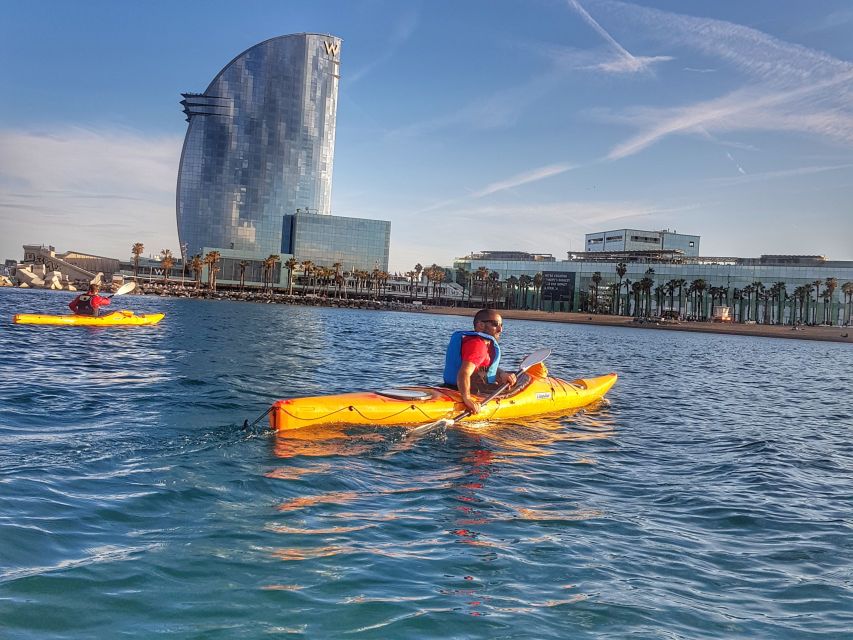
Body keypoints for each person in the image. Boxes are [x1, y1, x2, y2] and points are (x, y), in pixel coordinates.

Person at [443, 308, 517, 415]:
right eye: (495, 324)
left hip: (450, 388)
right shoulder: (478, 345)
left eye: (502, 325)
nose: (500, 329)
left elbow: (484, 368)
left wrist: (502, 374)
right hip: (464, 391)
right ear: (481, 325)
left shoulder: (478, 342)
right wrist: (467, 399)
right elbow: (464, 373)